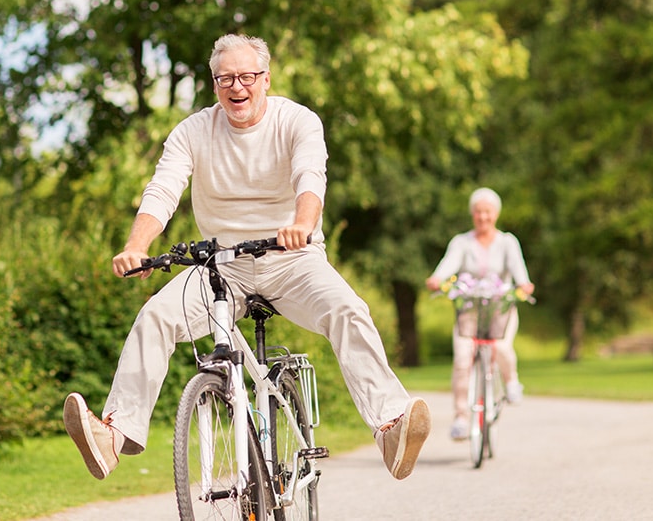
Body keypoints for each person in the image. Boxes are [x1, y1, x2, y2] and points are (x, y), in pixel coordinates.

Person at [63, 33, 431, 481]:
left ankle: (390, 427)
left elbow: (310, 177)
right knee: (155, 316)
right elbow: (163, 189)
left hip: (293, 259)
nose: (237, 87)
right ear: (214, 84)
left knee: (348, 310)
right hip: (222, 266)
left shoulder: (297, 121)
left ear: (265, 79)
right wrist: (136, 246)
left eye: (246, 76)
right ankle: (113, 436)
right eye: (225, 79)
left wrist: (302, 223)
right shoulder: (194, 130)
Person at [424, 187, 534, 441]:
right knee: (462, 359)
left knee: (502, 347)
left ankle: (511, 381)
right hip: (470, 311)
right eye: (478, 212)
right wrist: (437, 279)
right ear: (472, 215)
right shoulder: (462, 242)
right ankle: (461, 418)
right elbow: (447, 265)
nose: (482, 217)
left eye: (487, 212)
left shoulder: (508, 242)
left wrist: (524, 285)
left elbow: (520, 273)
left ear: (495, 214)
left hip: (500, 309)